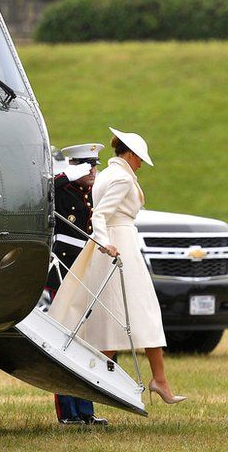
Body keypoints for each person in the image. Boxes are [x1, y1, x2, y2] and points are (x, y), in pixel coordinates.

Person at [49, 128, 185, 405]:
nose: (140, 165)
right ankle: (157, 380)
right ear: (131, 155)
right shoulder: (122, 177)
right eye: (140, 160)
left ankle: (92, 385)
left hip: (115, 243)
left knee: (109, 321)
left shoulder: (110, 174)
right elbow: (100, 214)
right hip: (119, 243)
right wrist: (104, 241)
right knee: (141, 312)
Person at [46, 143, 108, 426]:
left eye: (95, 165)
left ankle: (86, 409)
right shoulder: (63, 190)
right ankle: (67, 411)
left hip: (86, 270)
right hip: (64, 271)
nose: (94, 170)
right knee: (65, 340)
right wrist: (69, 174)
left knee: (85, 342)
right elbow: (46, 189)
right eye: (88, 166)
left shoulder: (91, 195)